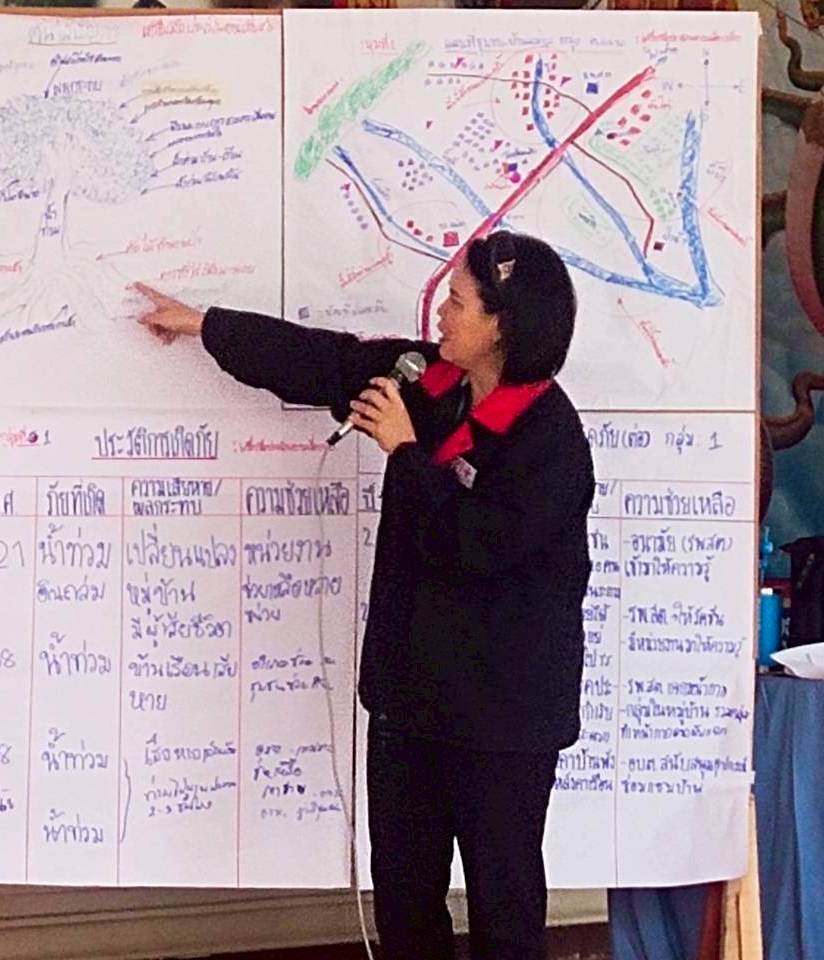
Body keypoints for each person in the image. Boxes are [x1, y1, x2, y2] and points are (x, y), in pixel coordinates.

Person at [135, 229, 594, 960]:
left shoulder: (551, 441)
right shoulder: (427, 379)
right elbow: (324, 361)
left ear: (502, 326)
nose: (440, 311)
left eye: (458, 302)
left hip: (502, 718)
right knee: (405, 905)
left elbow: (473, 547)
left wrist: (405, 452)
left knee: (504, 912)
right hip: (410, 704)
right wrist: (204, 325)